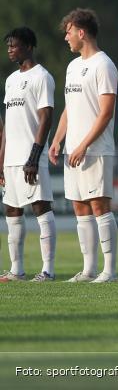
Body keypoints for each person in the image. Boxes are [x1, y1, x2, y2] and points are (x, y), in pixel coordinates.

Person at [49, 8, 118, 283]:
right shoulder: (73, 66)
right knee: (80, 207)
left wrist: (83, 145)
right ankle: (89, 269)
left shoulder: (104, 64)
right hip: (73, 149)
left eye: (68, 32)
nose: (65, 37)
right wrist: (58, 140)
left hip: (95, 149)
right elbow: (70, 107)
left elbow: (106, 112)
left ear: (81, 32)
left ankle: (110, 271)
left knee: (99, 206)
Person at [0, 28, 56, 282]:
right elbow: (7, 127)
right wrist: (1, 161)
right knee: (12, 210)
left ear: (29, 46)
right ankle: (16, 269)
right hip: (10, 159)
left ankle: (47, 270)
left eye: (15, 45)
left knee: (40, 208)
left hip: (30, 158)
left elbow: (46, 118)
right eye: (8, 46)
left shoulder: (41, 77)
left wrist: (34, 157)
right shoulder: (11, 80)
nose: (10, 49)